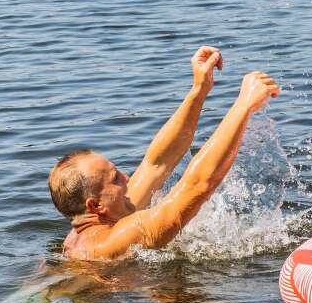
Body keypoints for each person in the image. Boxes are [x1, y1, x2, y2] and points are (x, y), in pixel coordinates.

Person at [48, 46, 279, 261]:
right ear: (95, 206)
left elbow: (156, 164)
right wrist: (243, 105)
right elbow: (198, 186)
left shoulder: (96, 224)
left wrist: (200, 89)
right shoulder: (121, 236)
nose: (127, 178)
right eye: (115, 178)